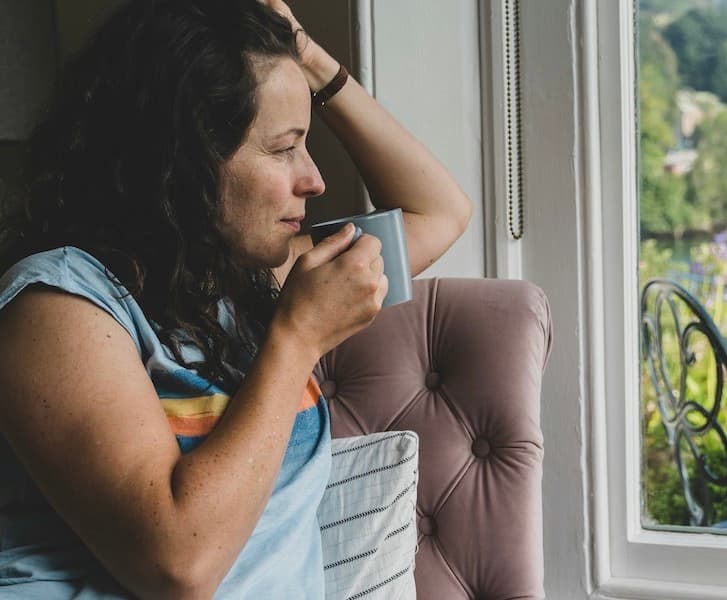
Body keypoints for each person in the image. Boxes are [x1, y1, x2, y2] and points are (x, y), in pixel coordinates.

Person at [0, 0, 471, 597]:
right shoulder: (56, 309)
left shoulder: (233, 290)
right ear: (181, 159)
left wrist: (307, 56)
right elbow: (180, 566)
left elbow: (440, 211)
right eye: (283, 149)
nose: (314, 179)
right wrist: (295, 342)